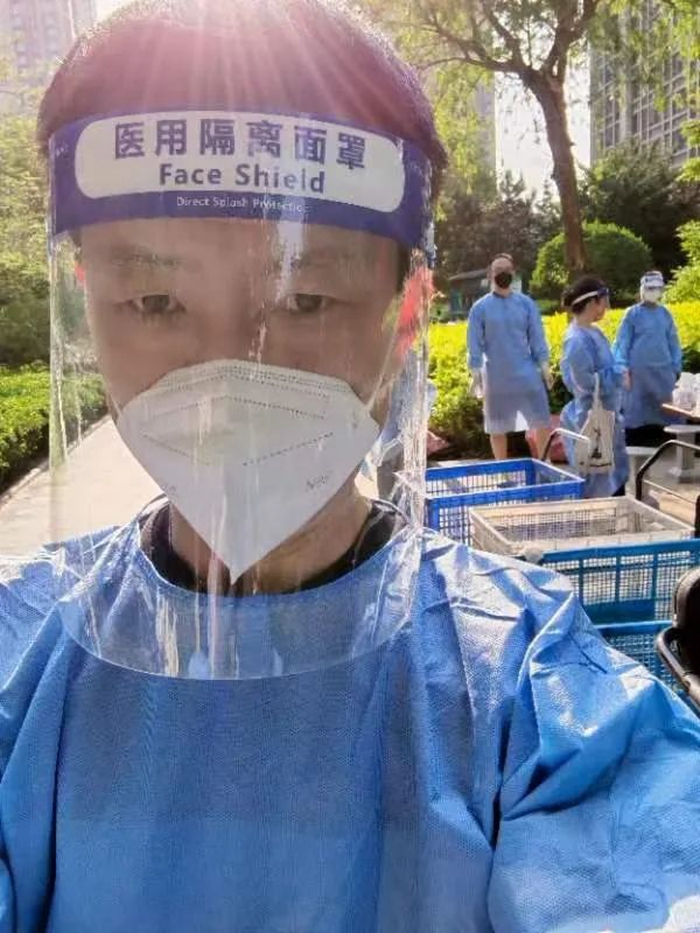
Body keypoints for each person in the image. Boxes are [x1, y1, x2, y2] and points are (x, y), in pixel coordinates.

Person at [1, 3, 700, 931]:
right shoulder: (19, 658)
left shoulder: (529, 689)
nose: (230, 374)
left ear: (405, 312)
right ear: (90, 302)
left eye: (305, 298)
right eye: (156, 300)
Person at [467, 253, 552, 461]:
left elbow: (537, 337)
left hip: (526, 374)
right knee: (496, 427)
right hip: (496, 377)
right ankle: (502, 472)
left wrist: (545, 366)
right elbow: (474, 343)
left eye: (506, 270)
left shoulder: (526, 304)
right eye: (498, 270)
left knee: (541, 421)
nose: (502, 273)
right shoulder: (480, 308)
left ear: (513, 273)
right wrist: (475, 373)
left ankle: (545, 467)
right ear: (490, 275)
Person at [560, 275, 630, 498]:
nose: (605, 307)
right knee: (597, 482)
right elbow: (584, 383)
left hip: (608, 415)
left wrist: (617, 373)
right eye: (603, 301)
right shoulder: (576, 341)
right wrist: (617, 376)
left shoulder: (594, 332)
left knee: (615, 476)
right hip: (592, 419)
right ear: (592, 302)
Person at [613, 270, 683, 446]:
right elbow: (622, 343)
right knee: (637, 409)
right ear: (642, 289)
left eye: (657, 288)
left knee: (667, 408)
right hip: (638, 373)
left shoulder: (665, 314)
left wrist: (676, 367)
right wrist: (622, 368)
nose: (653, 292)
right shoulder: (632, 314)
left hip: (663, 371)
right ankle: (637, 441)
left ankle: (668, 442)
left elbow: (673, 342)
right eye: (650, 288)